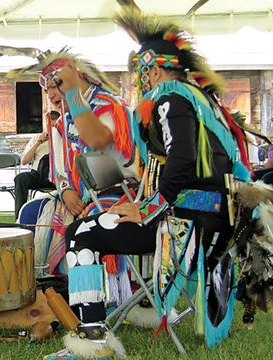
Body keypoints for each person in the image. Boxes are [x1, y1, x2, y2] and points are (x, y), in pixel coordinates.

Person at [47, 9, 255, 358]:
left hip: (183, 219)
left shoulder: (170, 96)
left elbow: (182, 160)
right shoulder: (203, 100)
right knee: (86, 227)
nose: (138, 82)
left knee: (81, 233)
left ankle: (94, 344)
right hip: (213, 218)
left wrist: (148, 207)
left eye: (140, 74)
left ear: (154, 69)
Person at [0, 46, 136, 304]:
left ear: (77, 78)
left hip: (117, 194)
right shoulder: (61, 121)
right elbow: (59, 169)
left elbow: (120, 162)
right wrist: (66, 190)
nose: (50, 94)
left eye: (57, 85)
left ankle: (100, 298)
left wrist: (88, 189)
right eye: (47, 88)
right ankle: (57, 290)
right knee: (30, 213)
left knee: (83, 222)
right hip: (76, 196)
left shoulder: (112, 107)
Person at [13, 111, 56, 218]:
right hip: (38, 175)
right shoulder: (36, 138)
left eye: (54, 126)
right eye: (49, 126)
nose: (51, 129)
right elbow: (24, 161)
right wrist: (38, 143)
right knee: (21, 178)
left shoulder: (62, 139)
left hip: (56, 176)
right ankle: (20, 216)